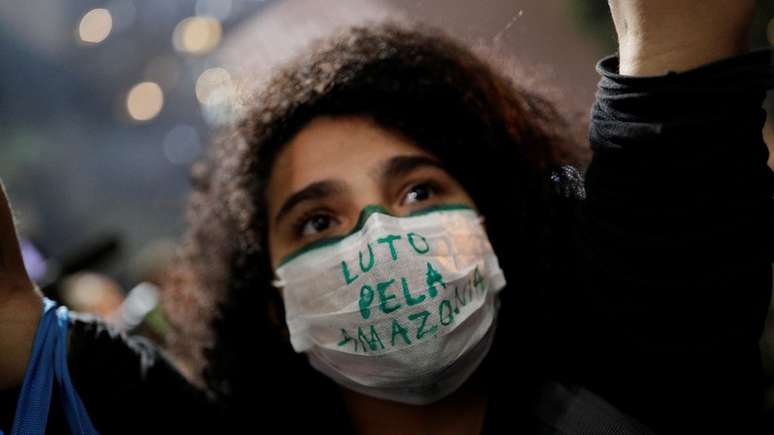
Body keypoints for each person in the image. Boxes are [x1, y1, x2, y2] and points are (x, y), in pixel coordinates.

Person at [1, 1, 772, 433]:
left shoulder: (641, 372)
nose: (378, 235)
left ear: (494, 232)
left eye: (420, 193)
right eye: (315, 222)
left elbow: (679, 48)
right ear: (274, 306)